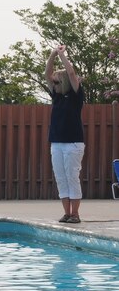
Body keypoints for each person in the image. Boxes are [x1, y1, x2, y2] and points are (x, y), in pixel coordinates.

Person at [46, 44, 85, 224]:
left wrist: (62, 56)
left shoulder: (76, 95)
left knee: (72, 177)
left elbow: (71, 74)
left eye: (56, 81)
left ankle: (75, 214)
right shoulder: (57, 96)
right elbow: (47, 73)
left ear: (63, 82)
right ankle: (67, 213)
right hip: (57, 143)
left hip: (73, 144)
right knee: (61, 179)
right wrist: (53, 54)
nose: (53, 83)